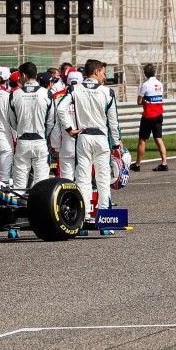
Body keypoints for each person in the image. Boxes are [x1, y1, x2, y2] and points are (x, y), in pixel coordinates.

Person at [61, 58, 122, 234]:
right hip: (101, 139)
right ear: (95, 72)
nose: (104, 76)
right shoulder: (107, 92)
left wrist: (69, 129)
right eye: (103, 72)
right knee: (103, 179)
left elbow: (60, 109)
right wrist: (116, 143)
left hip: (83, 137)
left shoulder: (75, 89)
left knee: (83, 179)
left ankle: (84, 217)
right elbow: (113, 122)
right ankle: (105, 219)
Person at [8, 61, 52, 190]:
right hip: (40, 140)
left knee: (19, 186)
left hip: (22, 141)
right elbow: (51, 121)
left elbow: (12, 121)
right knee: (41, 185)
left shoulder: (14, 95)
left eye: (20, 76)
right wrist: (43, 134)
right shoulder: (46, 93)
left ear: (24, 76)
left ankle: (19, 209)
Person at [134, 63, 169, 172]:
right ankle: (164, 162)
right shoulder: (160, 84)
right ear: (154, 72)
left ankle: (137, 164)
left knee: (142, 140)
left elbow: (139, 101)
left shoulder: (145, 85)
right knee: (158, 138)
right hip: (159, 114)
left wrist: (145, 100)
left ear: (145, 73)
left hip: (148, 115)